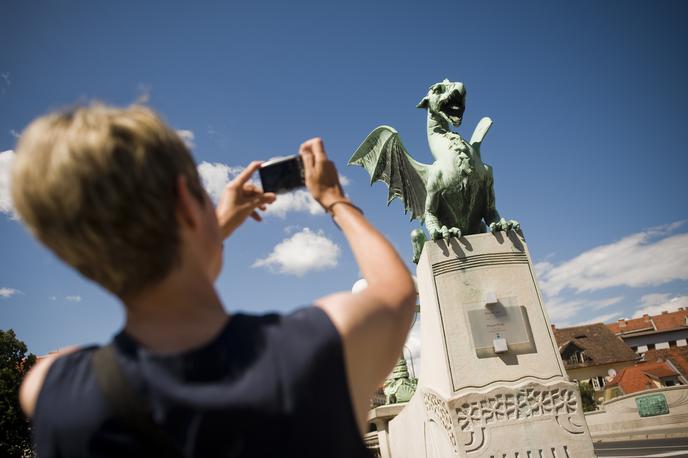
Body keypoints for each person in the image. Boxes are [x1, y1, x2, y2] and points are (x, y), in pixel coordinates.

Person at [14, 104, 416, 457]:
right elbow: (395, 290)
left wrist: (206, 229)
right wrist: (334, 199)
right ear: (186, 204)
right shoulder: (315, 347)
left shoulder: (56, 394)